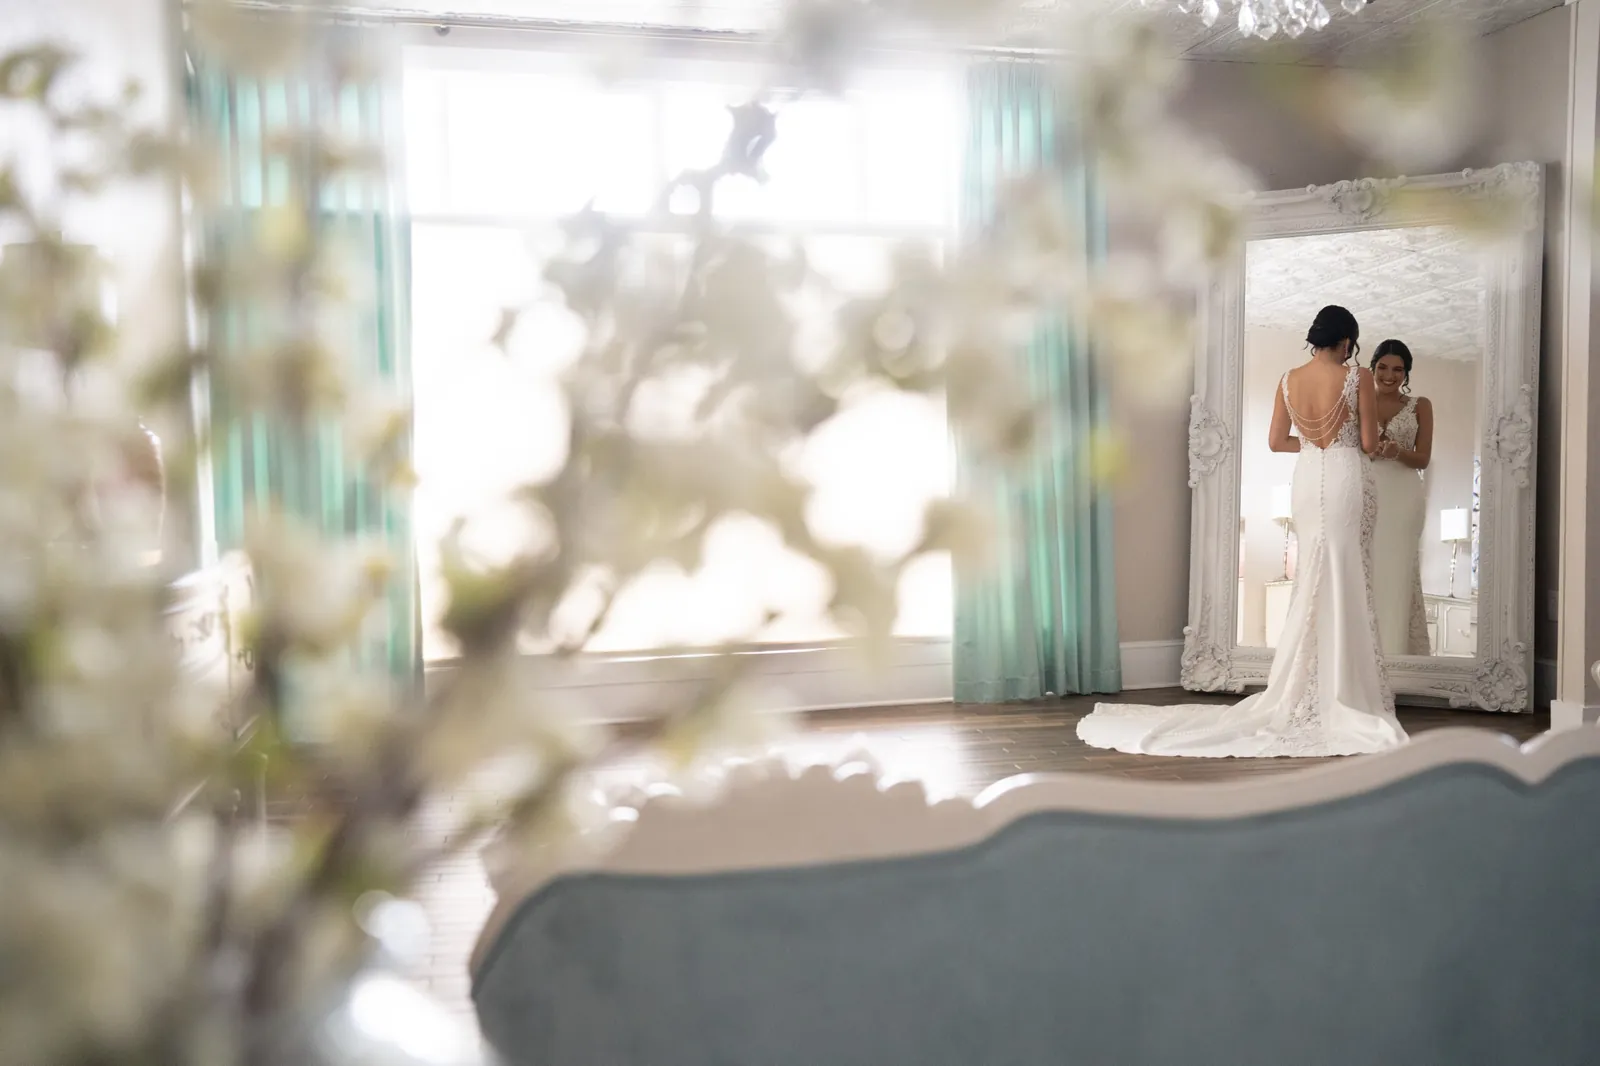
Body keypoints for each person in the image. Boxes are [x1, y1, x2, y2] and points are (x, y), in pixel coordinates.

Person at [1078, 305, 1408, 758]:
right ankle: (1344, 688)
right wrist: (1372, 445)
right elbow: (1369, 443)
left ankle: (1303, 686)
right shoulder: (1358, 378)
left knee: (1313, 576)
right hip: (1348, 477)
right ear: (1347, 341)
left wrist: (1314, 444)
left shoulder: (1288, 379)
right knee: (1346, 574)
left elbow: (1277, 441)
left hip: (1308, 478)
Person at [1369, 340, 1432, 655]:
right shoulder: (1358, 403)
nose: (1389, 375)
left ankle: (1397, 656)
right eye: (1383, 367)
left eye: (1397, 369)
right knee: (1366, 569)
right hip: (1366, 492)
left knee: (1398, 570)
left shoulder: (1420, 404)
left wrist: (1398, 451)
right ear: (1373, 367)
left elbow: (1423, 459)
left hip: (1404, 496)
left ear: (1406, 373)